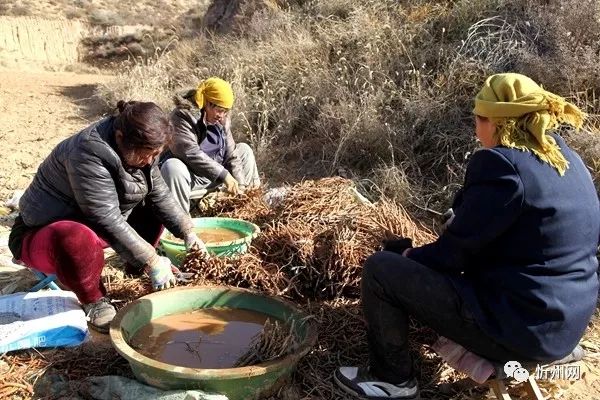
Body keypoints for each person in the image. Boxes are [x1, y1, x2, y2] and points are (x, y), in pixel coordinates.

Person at [334, 73, 600, 399]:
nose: (476, 129)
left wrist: (408, 258)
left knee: (381, 270)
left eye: (479, 118)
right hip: (566, 325)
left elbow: (453, 254)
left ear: (498, 123)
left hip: (522, 330)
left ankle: (393, 380)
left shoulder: (501, 165)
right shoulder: (568, 160)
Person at [8, 101, 206, 333]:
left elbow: (158, 193)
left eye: (155, 155)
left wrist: (188, 232)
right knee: (75, 237)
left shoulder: (141, 150)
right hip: (43, 235)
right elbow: (105, 217)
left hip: (93, 224)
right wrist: (152, 259)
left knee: (150, 207)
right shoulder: (87, 152)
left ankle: (136, 269)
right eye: (147, 155)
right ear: (121, 137)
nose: (151, 161)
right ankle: (94, 300)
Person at [160, 77, 260, 213]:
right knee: (172, 167)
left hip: (215, 172)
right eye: (219, 110)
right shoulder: (182, 116)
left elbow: (231, 153)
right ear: (206, 103)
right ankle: (180, 224)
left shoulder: (222, 118)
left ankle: (244, 208)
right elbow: (191, 153)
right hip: (191, 176)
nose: (222, 115)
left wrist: (240, 184)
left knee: (244, 150)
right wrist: (224, 175)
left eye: (225, 111)